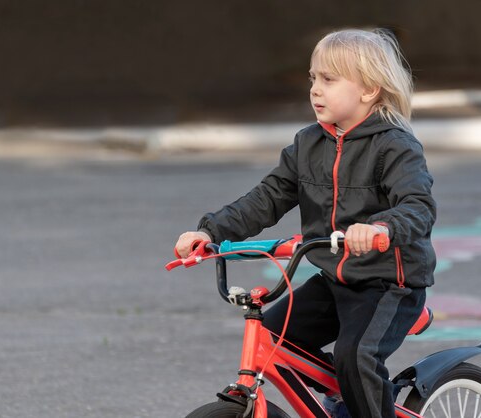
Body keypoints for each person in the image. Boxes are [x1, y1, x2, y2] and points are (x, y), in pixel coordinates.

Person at [175, 28, 436, 418]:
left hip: (388, 282)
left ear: (369, 90)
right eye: (313, 78)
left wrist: (381, 228)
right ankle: (346, 398)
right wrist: (210, 232)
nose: (315, 89)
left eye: (329, 80)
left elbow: (417, 205)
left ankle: (358, 392)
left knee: (356, 356)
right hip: (335, 279)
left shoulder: (395, 146)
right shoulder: (307, 143)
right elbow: (267, 197)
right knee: (273, 336)